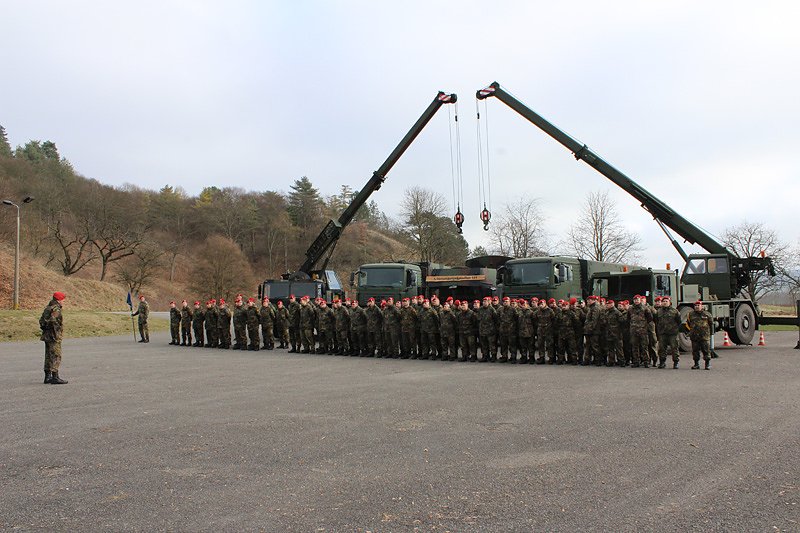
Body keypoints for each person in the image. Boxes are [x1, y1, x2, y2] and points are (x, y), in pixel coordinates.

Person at [40, 291, 67, 384]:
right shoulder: (56, 309)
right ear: (59, 300)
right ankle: (55, 377)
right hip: (53, 336)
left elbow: (42, 321)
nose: (63, 302)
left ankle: (47, 376)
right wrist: (56, 334)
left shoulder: (48, 307)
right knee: (56, 355)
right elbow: (53, 321)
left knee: (48, 355)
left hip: (46, 335)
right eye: (63, 300)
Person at [686, 300, 714, 370]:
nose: (697, 307)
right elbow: (688, 324)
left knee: (706, 350)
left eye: (698, 305)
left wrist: (711, 334)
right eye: (695, 306)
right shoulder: (690, 314)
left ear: (701, 306)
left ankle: (707, 364)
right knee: (695, 351)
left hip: (704, 336)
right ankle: (696, 364)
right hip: (694, 336)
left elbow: (711, 324)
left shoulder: (707, 314)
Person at [656, 295, 681, 368]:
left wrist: (675, 329)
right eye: (663, 301)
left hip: (672, 333)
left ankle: (676, 362)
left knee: (674, 348)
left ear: (670, 302)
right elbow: (656, 321)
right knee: (662, 348)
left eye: (666, 301)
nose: (664, 303)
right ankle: (662, 362)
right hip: (662, 333)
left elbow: (679, 321)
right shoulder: (659, 311)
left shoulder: (675, 311)